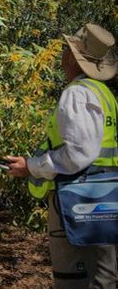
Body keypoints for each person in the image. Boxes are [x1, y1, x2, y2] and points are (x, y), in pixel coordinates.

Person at [6, 23, 117, 288]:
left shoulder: (77, 94)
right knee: (103, 276)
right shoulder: (105, 95)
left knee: (76, 278)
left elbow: (78, 154)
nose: (62, 56)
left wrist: (31, 166)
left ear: (72, 57)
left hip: (77, 200)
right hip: (107, 198)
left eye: (66, 51)